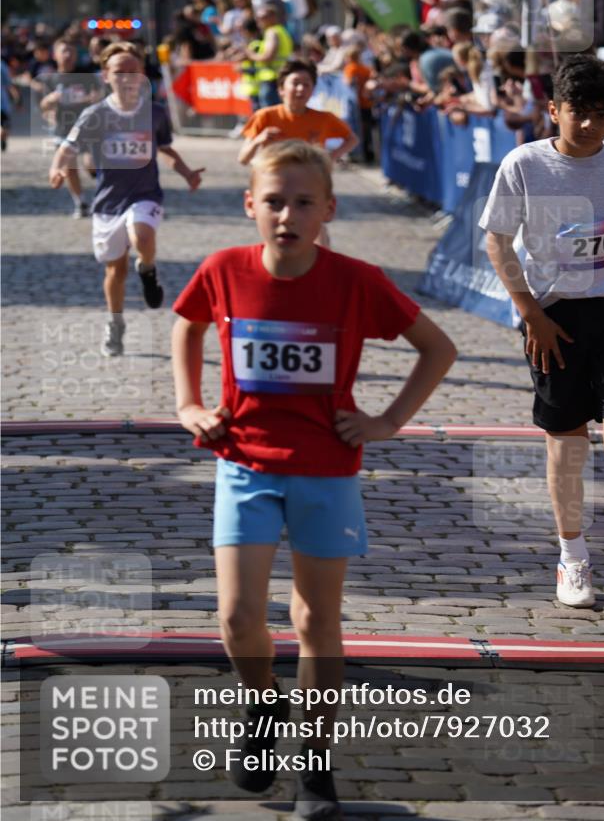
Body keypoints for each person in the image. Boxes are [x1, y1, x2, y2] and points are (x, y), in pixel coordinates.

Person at [171, 140, 457, 818]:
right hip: (244, 464)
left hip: (327, 472)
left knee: (313, 619)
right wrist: (188, 402)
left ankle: (314, 765)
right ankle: (264, 700)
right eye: (273, 201)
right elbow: (187, 325)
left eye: (303, 203)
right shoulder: (223, 269)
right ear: (250, 206)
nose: (286, 215)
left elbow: (437, 348)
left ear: (327, 209)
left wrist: (386, 420)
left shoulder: (356, 280)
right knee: (239, 619)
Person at [479, 55, 604, 618]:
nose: (588, 125)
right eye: (578, 113)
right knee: (565, 443)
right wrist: (530, 312)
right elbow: (497, 242)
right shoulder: (523, 164)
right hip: (553, 318)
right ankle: (573, 557)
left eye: (602, 115)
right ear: (553, 110)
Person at [48, 41, 204, 357]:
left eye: (134, 71)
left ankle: (147, 268)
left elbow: (166, 150)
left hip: (145, 194)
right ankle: (115, 324)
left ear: (143, 75)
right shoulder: (95, 115)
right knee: (115, 272)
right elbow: (68, 147)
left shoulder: (155, 114)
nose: (127, 77)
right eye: (120, 72)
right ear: (106, 76)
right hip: (107, 202)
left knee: (143, 234)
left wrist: (186, 172)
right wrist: (57, 167)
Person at [238, 58, 358, 167]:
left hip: (309, 184)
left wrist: (331, 157)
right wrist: (258, 141)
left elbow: (352, 139)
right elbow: (243, 159)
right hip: (275, 182)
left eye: (306, 84)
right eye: (295, 83)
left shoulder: (324, 118)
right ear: (281, 89)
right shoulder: (264, 116)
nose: (301, 89)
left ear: (313, 90)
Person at [37, 38, 103, 217]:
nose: (68, 55)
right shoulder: (50, 79)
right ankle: (80, 202)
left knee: (91, 163)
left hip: (88, 126)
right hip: (63, 128)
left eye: (71, 52)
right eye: (64, 51)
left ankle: (105, 192)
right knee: (69, 167)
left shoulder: (85, 74)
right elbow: (42, 105)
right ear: (55, 55)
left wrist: (92, 98)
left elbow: (99, 96)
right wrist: (49, 100)